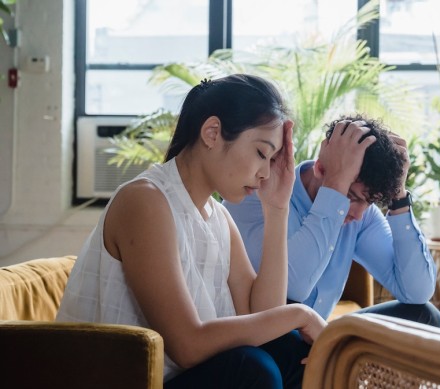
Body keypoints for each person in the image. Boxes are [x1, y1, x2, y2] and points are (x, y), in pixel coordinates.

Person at [56, 74, 327, 388]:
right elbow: (188, 346)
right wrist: (301, 315)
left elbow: (263, 315)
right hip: (122, 380)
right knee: (251, 369)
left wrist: (277, 210)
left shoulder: (218, 218)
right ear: (212, 133)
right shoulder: (145, 201)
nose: (266, 172)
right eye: (260, 153)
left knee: (291, 350)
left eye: (272, 159)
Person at [224, 114, 440, 328]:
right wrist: (337, 186)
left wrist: (399, 196)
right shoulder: (259, 192)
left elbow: (417, 292)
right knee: (289, 324)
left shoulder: (361, 215)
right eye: (352, 197)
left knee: (425, 316)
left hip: (318, 336)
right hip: (267, 337)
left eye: (370, 202)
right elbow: (293, 289)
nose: (358, 215)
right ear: (320, 168)